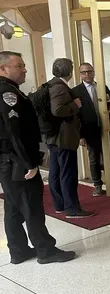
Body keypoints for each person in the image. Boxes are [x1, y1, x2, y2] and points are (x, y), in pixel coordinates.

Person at [0, 51, 76, 264]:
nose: (24, 69)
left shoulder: (11, 90)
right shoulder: (8, 94)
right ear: (3, 68)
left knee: (14, 208)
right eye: (19, 66)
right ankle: (46, 250)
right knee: (31, 206)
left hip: (8, 162)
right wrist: (29, 163)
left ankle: (18, 250)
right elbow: (15, 132)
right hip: (17, 162)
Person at [46, 58, 94, 218]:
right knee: (67, 173)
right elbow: (58, 110)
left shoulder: (52, 84)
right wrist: (75, 105)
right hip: (63, 138)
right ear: (70, 71)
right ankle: (72, 208)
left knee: (56, 172)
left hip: (54, 137)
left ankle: (60, 204)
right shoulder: (60, 87)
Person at [72, 62, 110, 197]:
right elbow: (75, 116)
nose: (87, 74)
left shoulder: (102, 87)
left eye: (90, 71)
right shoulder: (76, 91)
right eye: (84, 72)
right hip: (89, 131)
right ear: (80, 74)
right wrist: (80, 136)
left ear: (93, 72)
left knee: (109, 157)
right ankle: (97, 184)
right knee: (94, 159)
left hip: (107, 129)